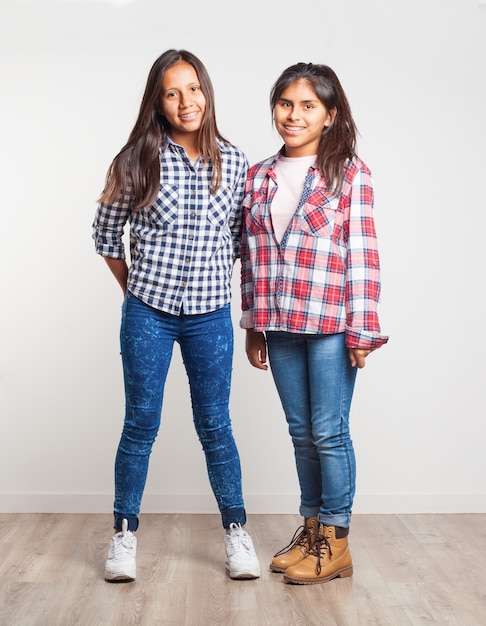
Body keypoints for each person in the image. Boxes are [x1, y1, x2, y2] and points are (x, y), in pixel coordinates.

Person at [92, 49, 260, 583]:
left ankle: (236, 533)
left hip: (210, 315)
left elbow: (239, 242)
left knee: (215, 424)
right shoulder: (135, 158)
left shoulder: (235, 162)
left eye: (194, 89)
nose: (186, 101)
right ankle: (123, 536)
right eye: (172, 92)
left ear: (206, 93)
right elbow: (105, 234)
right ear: (158, 103)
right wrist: (135, 290)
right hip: (149, 313)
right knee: (140, 425)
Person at [240, 62, 388, 585]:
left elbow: (363, 254)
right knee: (301, 433)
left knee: (329, 432)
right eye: (285, 103)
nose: (293, 114)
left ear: (329, 115)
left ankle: (336, 539)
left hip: (331, 324)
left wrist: (362, 330)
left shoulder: (349, 172)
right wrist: (252, 324)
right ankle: (311, 530)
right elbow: (250, 255)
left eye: (307, 105)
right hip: (278, 324)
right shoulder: (257, 175)